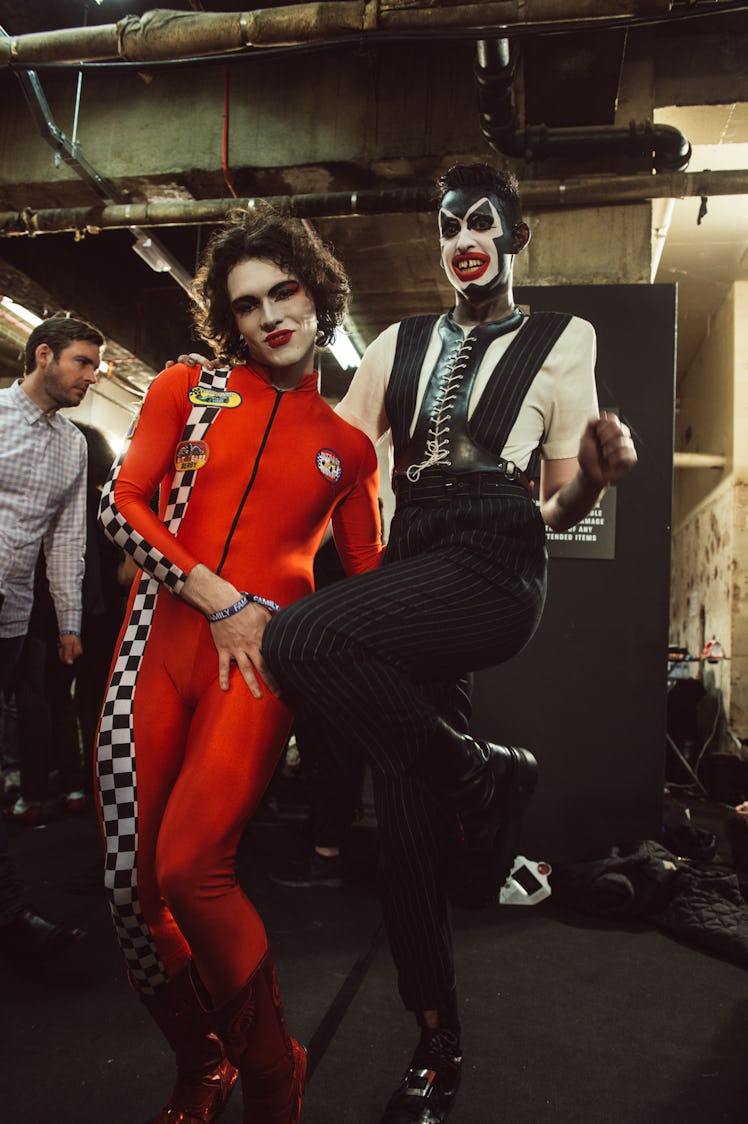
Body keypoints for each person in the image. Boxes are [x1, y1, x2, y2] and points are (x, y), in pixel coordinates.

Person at [259, 162, 638, 1124]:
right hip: (413, 557)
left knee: (300, 639)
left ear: (514, 235)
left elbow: (558, 501)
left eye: (479, 221)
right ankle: (438, 1043)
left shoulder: (565, 338)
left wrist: (595, 480)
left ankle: (482, 773)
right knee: (411, 837)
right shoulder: (400, 340)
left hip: (498, 561)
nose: (460, 236)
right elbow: (334, 452)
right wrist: (253, 394)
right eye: (445, 225)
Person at [95, 204, 383, 1124]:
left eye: (284, 291)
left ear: (316, 293)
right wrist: (218, 597)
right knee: (130, 894)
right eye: (248, 304)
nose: (270, 315)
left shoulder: (350, 446)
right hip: (153, 645)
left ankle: (271, 1071)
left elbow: (368, 584)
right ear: (233, 321)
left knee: (191, 871)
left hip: (256, 671)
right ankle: (200, 1060)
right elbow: (122, 506)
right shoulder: (187, 386)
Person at [0, 314, 102, 963]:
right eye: (82, 363)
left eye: (95, 366)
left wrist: (68, 622)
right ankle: (12, 914)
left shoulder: (74, 446)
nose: (90, 377)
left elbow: (65, 540)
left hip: (10, 622)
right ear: (44, 356)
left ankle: (10, 915)